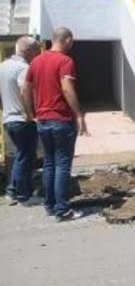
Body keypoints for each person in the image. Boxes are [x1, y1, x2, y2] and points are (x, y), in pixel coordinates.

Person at [22, 27, 88, 221]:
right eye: (72, 41)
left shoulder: (36, 61)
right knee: (62, 164)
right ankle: (62, 209)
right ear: (67, 40)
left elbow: (26, 89)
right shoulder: (65, 61)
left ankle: (50, 205)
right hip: (61, 120)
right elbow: (67, 88)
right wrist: (79, 115)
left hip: (43, 120)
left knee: (49, 164)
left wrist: (30, 113)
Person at [1, 36, 40, 205]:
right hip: (21, 119)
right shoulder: (23, 68)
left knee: (17, 156)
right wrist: (29, 114)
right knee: (25, 156)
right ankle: (22, 193)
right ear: (28, 51)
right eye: (36, 51)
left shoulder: (3, 66)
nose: (37, 55)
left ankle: (11, 190)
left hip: (8, 118)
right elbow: (25, 90)